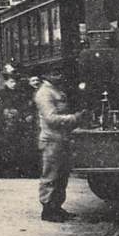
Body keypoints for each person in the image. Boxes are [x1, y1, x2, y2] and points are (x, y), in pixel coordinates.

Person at [35, 69, 87, 223]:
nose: (59, 75)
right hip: (51, 140)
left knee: (61, 176)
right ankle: (48, 210)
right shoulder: (44, 93)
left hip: (61, 139)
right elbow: (51, 118)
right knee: (50, 176)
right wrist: (74, 118)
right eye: (55, 73)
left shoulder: (55, 90)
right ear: (46, 75)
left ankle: (57, 207)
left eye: (59, 72)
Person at [0, 65, 36, 178]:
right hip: (3, 126)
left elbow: (25, 108)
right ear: (6, 82)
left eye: (15, 82)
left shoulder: (21, 94)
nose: (14, 84)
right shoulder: (0, 94)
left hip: (18, 125)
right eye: (12, 81)